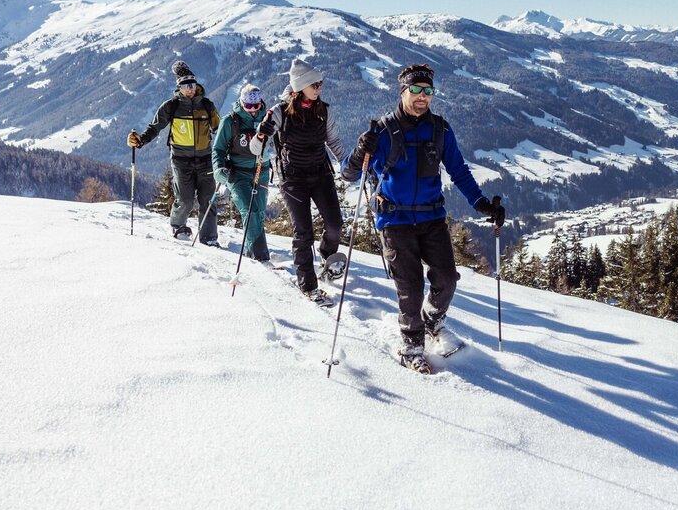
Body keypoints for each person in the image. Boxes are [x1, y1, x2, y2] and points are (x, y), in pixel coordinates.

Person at [341, 63, 505, 373]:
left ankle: (432, 320)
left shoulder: (440, 129)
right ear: (402, 91)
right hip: (394, 220)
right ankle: (411, 344)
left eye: (428, 91)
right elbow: (350, 174)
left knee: (447, 279)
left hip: (431, 217)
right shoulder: (383, 132)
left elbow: (458, 170)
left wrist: (481, 203)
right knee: (410, 287)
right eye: (415, 90)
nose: (422, 97)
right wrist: (360, 149)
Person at [249, 58, 345, 304]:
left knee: (335, 225)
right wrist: (262, 133)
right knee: (303, 232)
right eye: (314, 83)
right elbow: (255, 148)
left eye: (320, 83)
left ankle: (326, 254)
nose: (319, 87)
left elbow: (333, 142)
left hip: (320, 173)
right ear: (300, 86)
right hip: (292, 179)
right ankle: (309, 286)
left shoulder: (325, 110)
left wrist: (348, 165)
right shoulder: (280, 112)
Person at [127, 60, 221, 245]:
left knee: (207, 200)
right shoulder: (171, 106)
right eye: (186, 85)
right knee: (185, 199)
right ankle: (178, 226)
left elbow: (221, 128)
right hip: (180, 159)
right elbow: (155, 127)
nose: (190, 89)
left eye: (192, 85)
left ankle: (209, 237)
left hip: (205, 159)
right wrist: (140, 141)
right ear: (179, 87)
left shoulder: (207, 106)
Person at [211, 83, 271, 263]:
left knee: (259, 213)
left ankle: (250, 255)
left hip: (262, 171)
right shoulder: (230, 121)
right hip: (237, 173)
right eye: (248, 106)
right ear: (241, 103)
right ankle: (260, 257)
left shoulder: (268, 119)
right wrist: (219, 170)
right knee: (249, 210)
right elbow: (218, 150)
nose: (253, 110)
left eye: (256, 105)